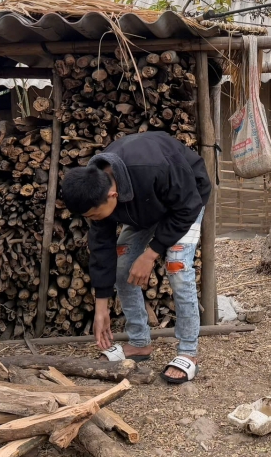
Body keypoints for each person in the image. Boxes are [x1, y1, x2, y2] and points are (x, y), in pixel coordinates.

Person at [61, 131, 211, 385]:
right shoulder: (95, 186)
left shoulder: (152, 166)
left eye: (95, 216)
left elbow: (188, 205)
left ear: (112, 196)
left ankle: (188, 351)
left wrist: (151, 254)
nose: (94, 221)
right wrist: (101, 307)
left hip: (187, 200)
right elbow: (101, 249)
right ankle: (140, 344)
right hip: (144, 208)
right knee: (123, 268)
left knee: (177, 267)